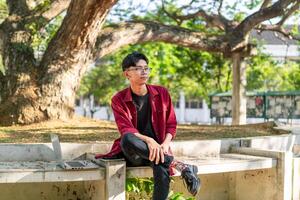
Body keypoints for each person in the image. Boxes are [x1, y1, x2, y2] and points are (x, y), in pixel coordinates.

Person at [95, 52, 200, 200]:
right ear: (127, 74)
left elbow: (171, 124)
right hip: (135, 152)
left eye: (146, 68)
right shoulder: (118, 99)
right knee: (127, 139)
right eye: (138, 68)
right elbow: (126, 129)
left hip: (159, 151)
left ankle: (172, 163)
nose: (144, 71)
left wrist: (164, 144)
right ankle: (179, 165)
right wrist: (149, 141)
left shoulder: (162, 93)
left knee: (160, 165)